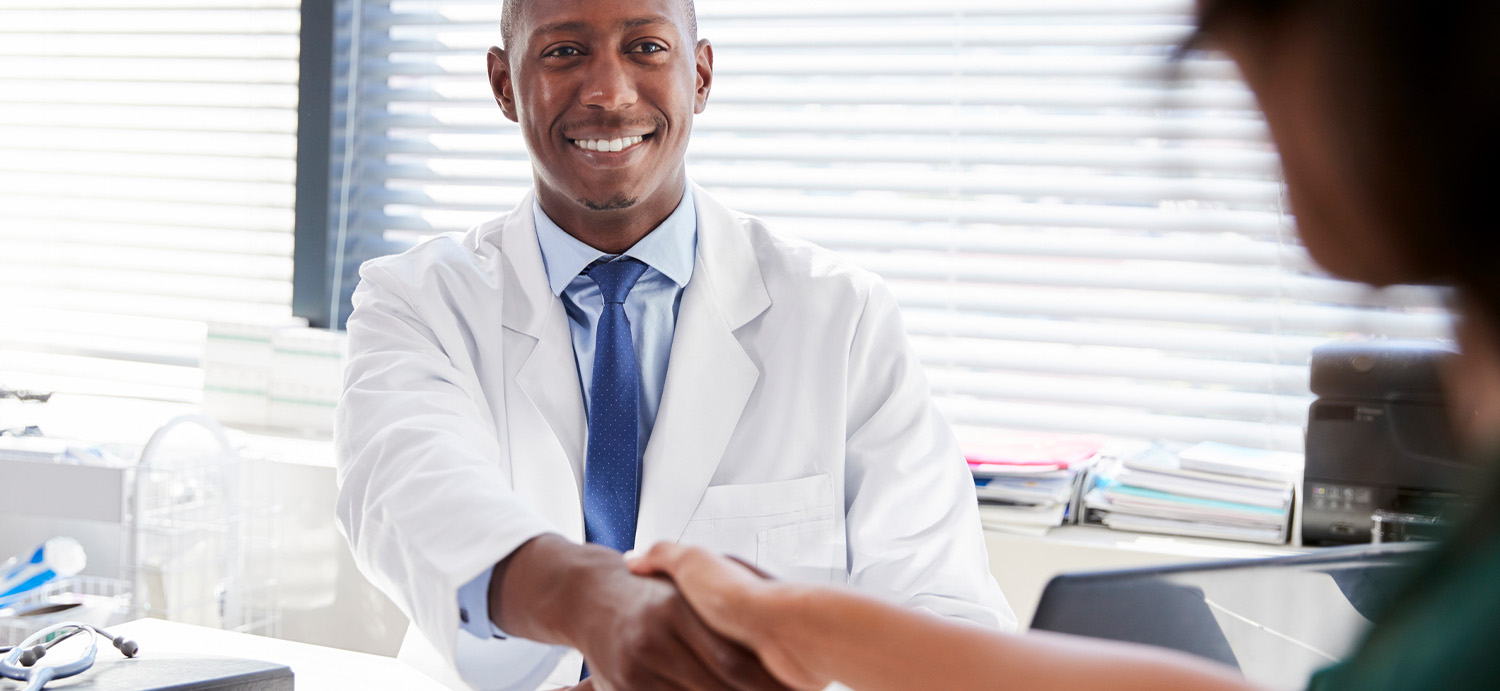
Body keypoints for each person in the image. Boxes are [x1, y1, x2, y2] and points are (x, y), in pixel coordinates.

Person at [625, 0, 1500, 689]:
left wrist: (780, 622)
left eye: (1240, 31)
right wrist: (780, 617)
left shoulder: (836, 309)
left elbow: (949, 604)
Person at [334, 0, 1013, 689]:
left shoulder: (841, 315)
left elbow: (946, 612)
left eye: (646, 48)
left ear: (702, 75)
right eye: (564, 51)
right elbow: (404, 489)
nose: (608, 92)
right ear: (504, 85)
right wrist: (592, 601)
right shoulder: (417, 299)